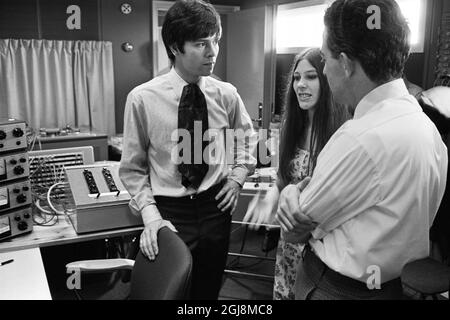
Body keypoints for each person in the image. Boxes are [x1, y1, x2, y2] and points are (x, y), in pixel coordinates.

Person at [276, 0, 448, 300]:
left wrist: (291, 193)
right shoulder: (428, 129)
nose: (325, 71)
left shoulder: (358, 138)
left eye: (325, 60)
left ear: (344, 63)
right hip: (392, 285)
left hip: (337, 288)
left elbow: (295, 229)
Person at [119, 0, 257, 300]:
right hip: (169, 212)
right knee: (169, 292)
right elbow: (132, 168)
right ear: (174, 47)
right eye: (200, 43)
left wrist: (237, 177)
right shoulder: (142, 99)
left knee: (208, 291)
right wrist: (151, 215)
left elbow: (247, 141)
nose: (212, 51)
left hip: (215, 208)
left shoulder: (227, 95)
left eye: (215, 41)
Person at [243, 48, 350, 300]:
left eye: (311, 77)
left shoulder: (343, 134)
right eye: (297, 77)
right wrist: (271, 197)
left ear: (326, 80)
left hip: (322, 248)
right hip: (289, 243)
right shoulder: (292, 128)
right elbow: (283, 177)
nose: (301, 84)